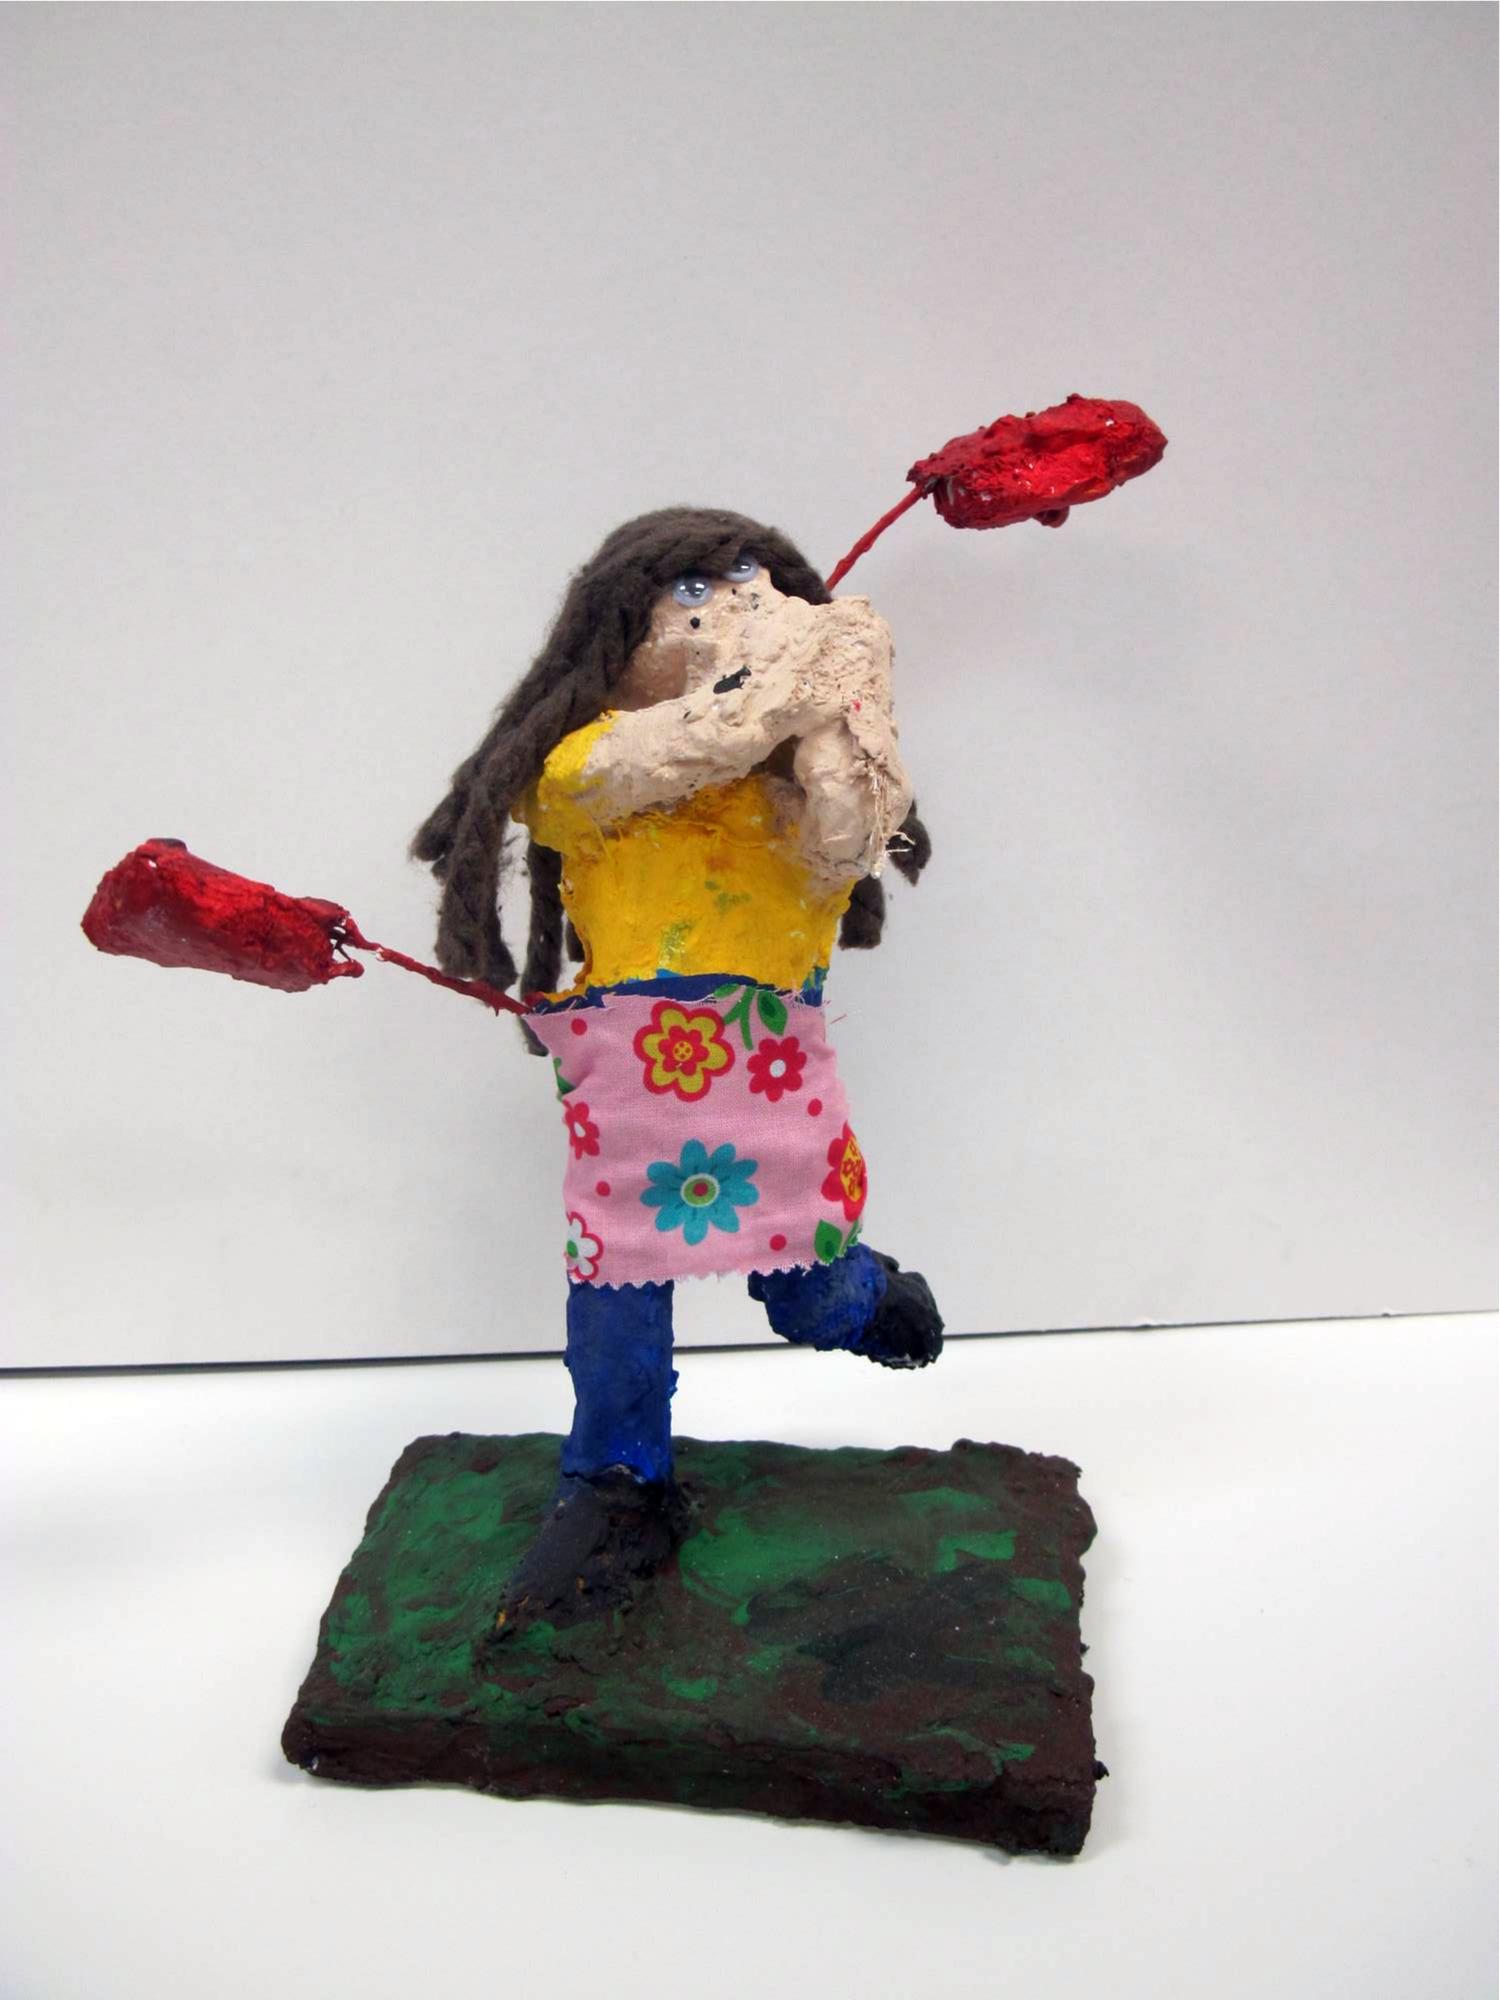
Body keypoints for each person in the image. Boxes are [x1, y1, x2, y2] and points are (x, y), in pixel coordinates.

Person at [412, 507, 942, 1632]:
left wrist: (846, 702)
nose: (729, 608)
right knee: (615, 1290)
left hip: (775, 1069)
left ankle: (857, 1295)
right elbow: (667, 753)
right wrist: (787, 682)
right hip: (628, 1083)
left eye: (752, 581)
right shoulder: (574, 765)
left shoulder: (789, 789)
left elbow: (850, 833)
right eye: (691, 592)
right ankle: (618, 1478)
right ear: (611, 635)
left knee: (803, 1288)